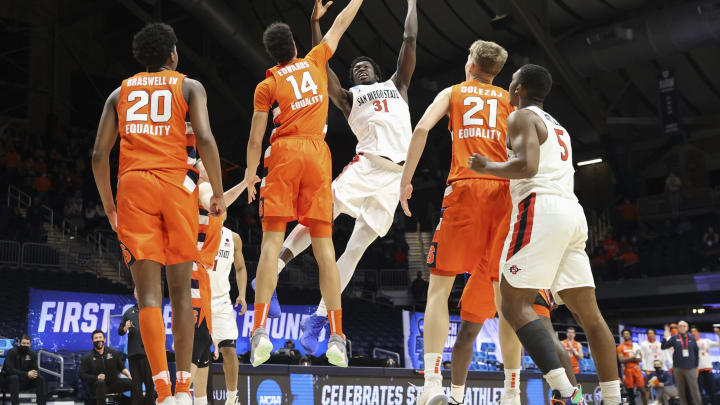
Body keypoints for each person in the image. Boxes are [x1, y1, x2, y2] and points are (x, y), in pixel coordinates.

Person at [262, 0, 418, 354]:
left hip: (394, 179)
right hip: (366, 166)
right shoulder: (349, 98)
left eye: (366, 66)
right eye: (356, 68)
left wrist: (411, 4)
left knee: (357, 249)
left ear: (377, 71)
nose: (361, 70)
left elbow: (409, 40)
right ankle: (274, 272)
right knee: (321, 216)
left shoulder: (399, 86)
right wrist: (316, 23)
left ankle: (317, 317)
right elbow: (321, 61)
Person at [466, 64, 621, 405]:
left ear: (518, 87)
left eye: (511, 82)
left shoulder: (522, 117)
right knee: (590, 315)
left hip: (541, 206)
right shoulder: (559, 126)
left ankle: (567, 393)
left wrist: (487, 167)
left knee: (512, 302)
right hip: (572, 213)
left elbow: (527, 167)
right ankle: (613, 399)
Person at [91, 22, 226, 405]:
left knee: (148, 296)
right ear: (172, 54)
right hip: (175, 187)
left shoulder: (119, 93)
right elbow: (204, 138)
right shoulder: (189, 86)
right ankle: (184, 388)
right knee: (181, 291)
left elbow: (99, 154)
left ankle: (163, 392)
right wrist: (217, 192)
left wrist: (110, 206)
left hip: (132, 189)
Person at [244, 0, 365, 368]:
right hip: (316, 154)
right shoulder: (314, 60)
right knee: (325, 249)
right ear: (295, 46)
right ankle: (337, 336)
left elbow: (254, 139)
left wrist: (251, 175)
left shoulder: (266, 86)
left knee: (270, 246)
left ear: (271, 54)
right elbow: (340, 25)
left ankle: (260, 330)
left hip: (281, 155)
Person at [399, 39, 514, 405]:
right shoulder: (511, 103)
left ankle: (432, 385)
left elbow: (421, 129)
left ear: (470, 64)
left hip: (466, 189)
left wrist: (406, 179)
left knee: (439, 289)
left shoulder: (454, 92)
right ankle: (512, 391)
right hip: (504, 194)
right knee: (505, 300)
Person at [189, 159, 251, 405]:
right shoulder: (197, 196)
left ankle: (232, 397)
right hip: (197, 293)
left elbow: (242, 267)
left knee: (228, 350)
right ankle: (192, 397)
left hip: (221, 301)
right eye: (203, 164)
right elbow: (217, 199)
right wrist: (245, 182)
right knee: (199, 353)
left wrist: (242, 294)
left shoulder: (232, 237)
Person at [448, 289, 578, 405]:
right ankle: (456, 399)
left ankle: (575, 399)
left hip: (516, 275)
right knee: (466, 334)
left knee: (548, 335)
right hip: (491, 274)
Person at [118, 290, 154, 405]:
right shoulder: (128, 312)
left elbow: (160, 329)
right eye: (137, 291)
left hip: (148, 354)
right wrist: (125, 328)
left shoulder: (152, 311)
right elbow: (120, 331)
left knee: (149, 384)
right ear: (135, 295)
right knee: (136, 385)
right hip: (133, 354)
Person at [79, 330, 133, 405]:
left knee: (134, 383)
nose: (98, 339)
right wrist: (96, 377)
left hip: (113, 383)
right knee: (100, 382)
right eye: (96, 338)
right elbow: (81, 375)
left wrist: (129, 375)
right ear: (92, 341)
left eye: (100, 337)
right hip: (96, 386)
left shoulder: (113, 352)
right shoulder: (87, 357)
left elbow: (121, 367)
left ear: (104, 339)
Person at [662, 321, 701, 405]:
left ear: (687, 328)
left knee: (695, 390)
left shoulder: (692, 338)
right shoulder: (674, 338)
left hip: (691, 368)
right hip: (678, 368)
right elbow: (663, 347)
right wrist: (665, 337)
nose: (682, 327)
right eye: (680, 326)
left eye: (684, 326)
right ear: (678, 328)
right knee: (681, 391)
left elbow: (696, 353)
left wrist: (696, 367)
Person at [3, 335, 46, 405]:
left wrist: (33, 374)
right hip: (9, 382)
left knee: (40, 379)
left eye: (27, 343)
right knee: (14, 378)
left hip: (25, 381)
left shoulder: (32, 354)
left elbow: (35, 369)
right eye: (24, 343)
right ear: (20, 343)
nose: (25, 345)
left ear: (30, 344)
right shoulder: (12, 352)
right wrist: (27, 374)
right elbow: (9, 370)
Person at [617, 329, 648, 405]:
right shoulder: (620, 347)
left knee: (642, 390)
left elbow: (640, 358)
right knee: (630, 392)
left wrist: (629, 359)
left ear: (630, 335)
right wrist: (633, 358)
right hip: (627, 370)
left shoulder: (636, 345)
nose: (626, 335)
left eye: (627, 334)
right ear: (622, 336)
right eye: (624, 334)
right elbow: (621, 360)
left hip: (637, 369)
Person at [691, 327, 719, 403]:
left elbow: (718, 344)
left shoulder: (705, 341)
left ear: (698, 333)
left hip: (707, 369)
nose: (694, 333)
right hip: (697, 371)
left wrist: (718, 334)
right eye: (692, 332)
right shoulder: (690, 344)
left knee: (711, 390)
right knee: (699, 391)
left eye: (695, 331)